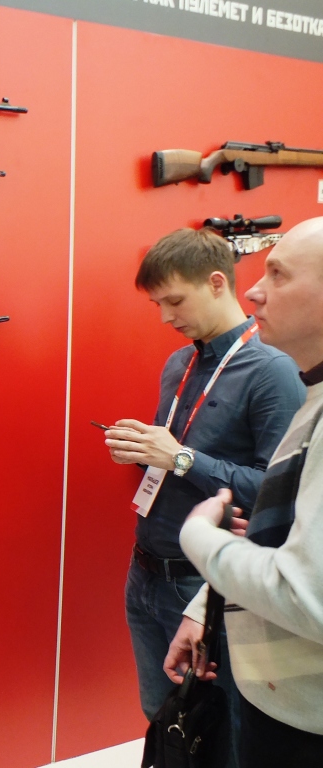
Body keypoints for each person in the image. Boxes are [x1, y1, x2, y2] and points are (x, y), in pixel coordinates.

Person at [103, 227, 304, 764]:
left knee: (215, 735)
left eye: (175, 301)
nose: (165, 316)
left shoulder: (272, 371)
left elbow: (275, 490)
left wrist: (181, 458)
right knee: (163, 719)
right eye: (157, 304)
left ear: (217, 283)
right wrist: (146, 451)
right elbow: (177, 457)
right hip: (146, 569)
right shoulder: (180, 363)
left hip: (206, 582)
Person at [164, 217, 323, 767]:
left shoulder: (277, 377)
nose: (252, 290)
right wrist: (206, 601)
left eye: (278, 274)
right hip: (283, 700)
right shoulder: (313, 395)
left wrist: (200, 539)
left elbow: (308, 597)